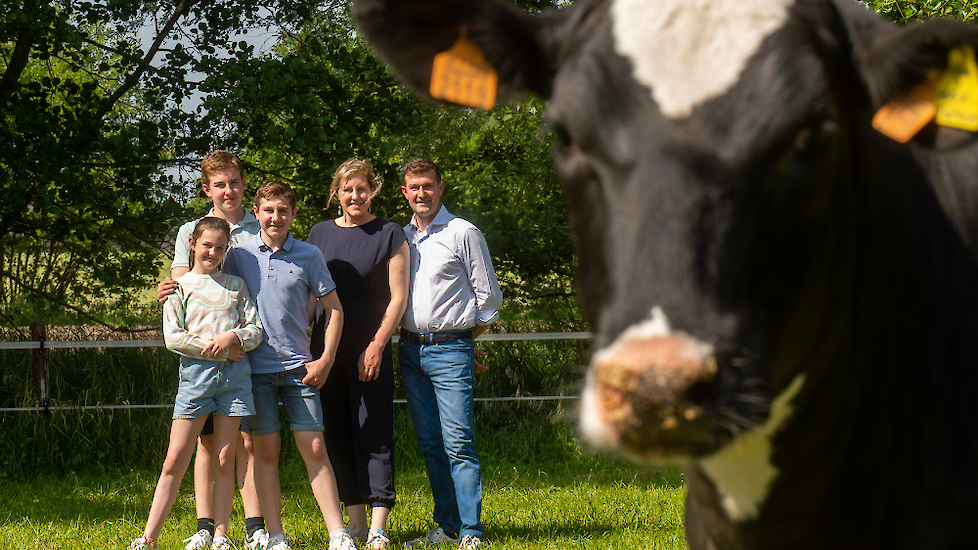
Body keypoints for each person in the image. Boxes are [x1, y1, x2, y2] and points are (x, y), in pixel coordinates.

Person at [222, 181, 356, 550]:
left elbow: (335, 310)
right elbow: (215, 293)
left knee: (314, 448)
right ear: (258, 212)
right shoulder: (240, 255)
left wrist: (325, 359)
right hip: (255, 372)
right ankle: (275, 535)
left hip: (301, 370)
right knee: (264, 451)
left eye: (283, 210)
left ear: (294, 214)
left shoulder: (310, 255)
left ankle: (338, 533)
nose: (275, 217)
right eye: (268, 210)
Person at [157, 151, 268, 550]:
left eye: (234, 182)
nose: (228, 190)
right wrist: (164, 291)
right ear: (207, 189)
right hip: (207, 352)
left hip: (251, 342)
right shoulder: (194, 227)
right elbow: (180, 286)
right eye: (219, 184)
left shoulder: (261, 225)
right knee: (209, 444)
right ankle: (207, 526)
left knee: (248, 441)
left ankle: (254, 525)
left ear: (244, 184)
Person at [130, 217, 262, 550]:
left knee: (223, 457)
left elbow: (255, 329)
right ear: (193, 245)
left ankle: (221, 535)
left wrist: (232, 336)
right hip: (195, 381)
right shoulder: (179, 288)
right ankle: (149, 538)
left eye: (220, 247)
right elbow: (173, 337)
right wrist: (217, 349)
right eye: (207, 246)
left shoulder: (236, 286)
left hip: (234, 383)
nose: (213, 252)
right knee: (175, 458)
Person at [397, 159, 502, 550]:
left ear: (441, 187)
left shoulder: (463, 233)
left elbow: (488, 300)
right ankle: (447, 524)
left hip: (451, 348)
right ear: (404, 193)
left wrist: (463, 342)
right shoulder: (401, 237)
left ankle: (471, 531)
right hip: (409, 350)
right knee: (429, 441)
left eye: (427, 185)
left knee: (458, 441)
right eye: (413, 187)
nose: (420, 193)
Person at [306, 159, 409, 550]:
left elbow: (398, 297)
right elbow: (312, 296)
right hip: (327, 346)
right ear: (337, 193)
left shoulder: (389, 233)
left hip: (370, 343)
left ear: (373, 191)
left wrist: (378, 345)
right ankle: (356, 525)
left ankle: (379, 524)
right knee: (336, 433)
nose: (355, 196)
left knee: (373, 430)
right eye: (348, 189)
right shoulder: (318, 234)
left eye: (362, 189)